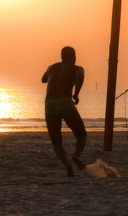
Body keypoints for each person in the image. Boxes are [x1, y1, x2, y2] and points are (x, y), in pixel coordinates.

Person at [41, 46, 87, 177]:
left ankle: (67, 164)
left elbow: (43, 79)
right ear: (74, 57)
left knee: (56, 142)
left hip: (50, 105)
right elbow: (80, 76)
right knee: (82, 135)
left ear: (61, 57)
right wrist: (76, 93)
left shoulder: (51, 67)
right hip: (65, 102)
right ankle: (76, 156)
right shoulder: (77, 68)